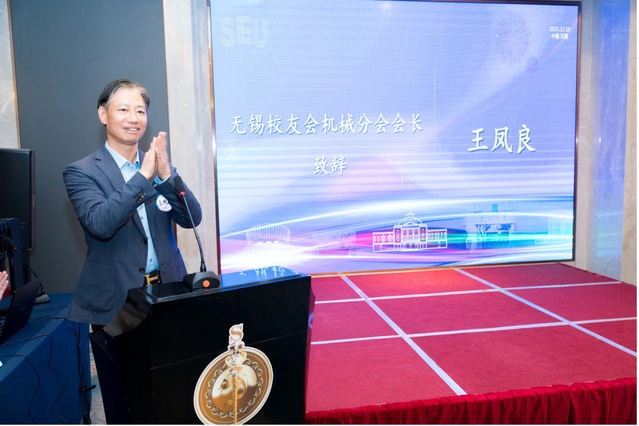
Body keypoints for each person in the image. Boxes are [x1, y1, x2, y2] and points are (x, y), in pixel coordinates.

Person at [63, 78, 202, 327]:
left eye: (140, 111)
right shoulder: (81, 172)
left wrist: (166, 176)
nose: (133, 119)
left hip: (168, 290)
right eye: (123, 110)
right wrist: (143, 177)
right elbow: (101, 224)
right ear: (103, 114)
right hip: (115, 301)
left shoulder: (158, 166)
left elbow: (192, 218)